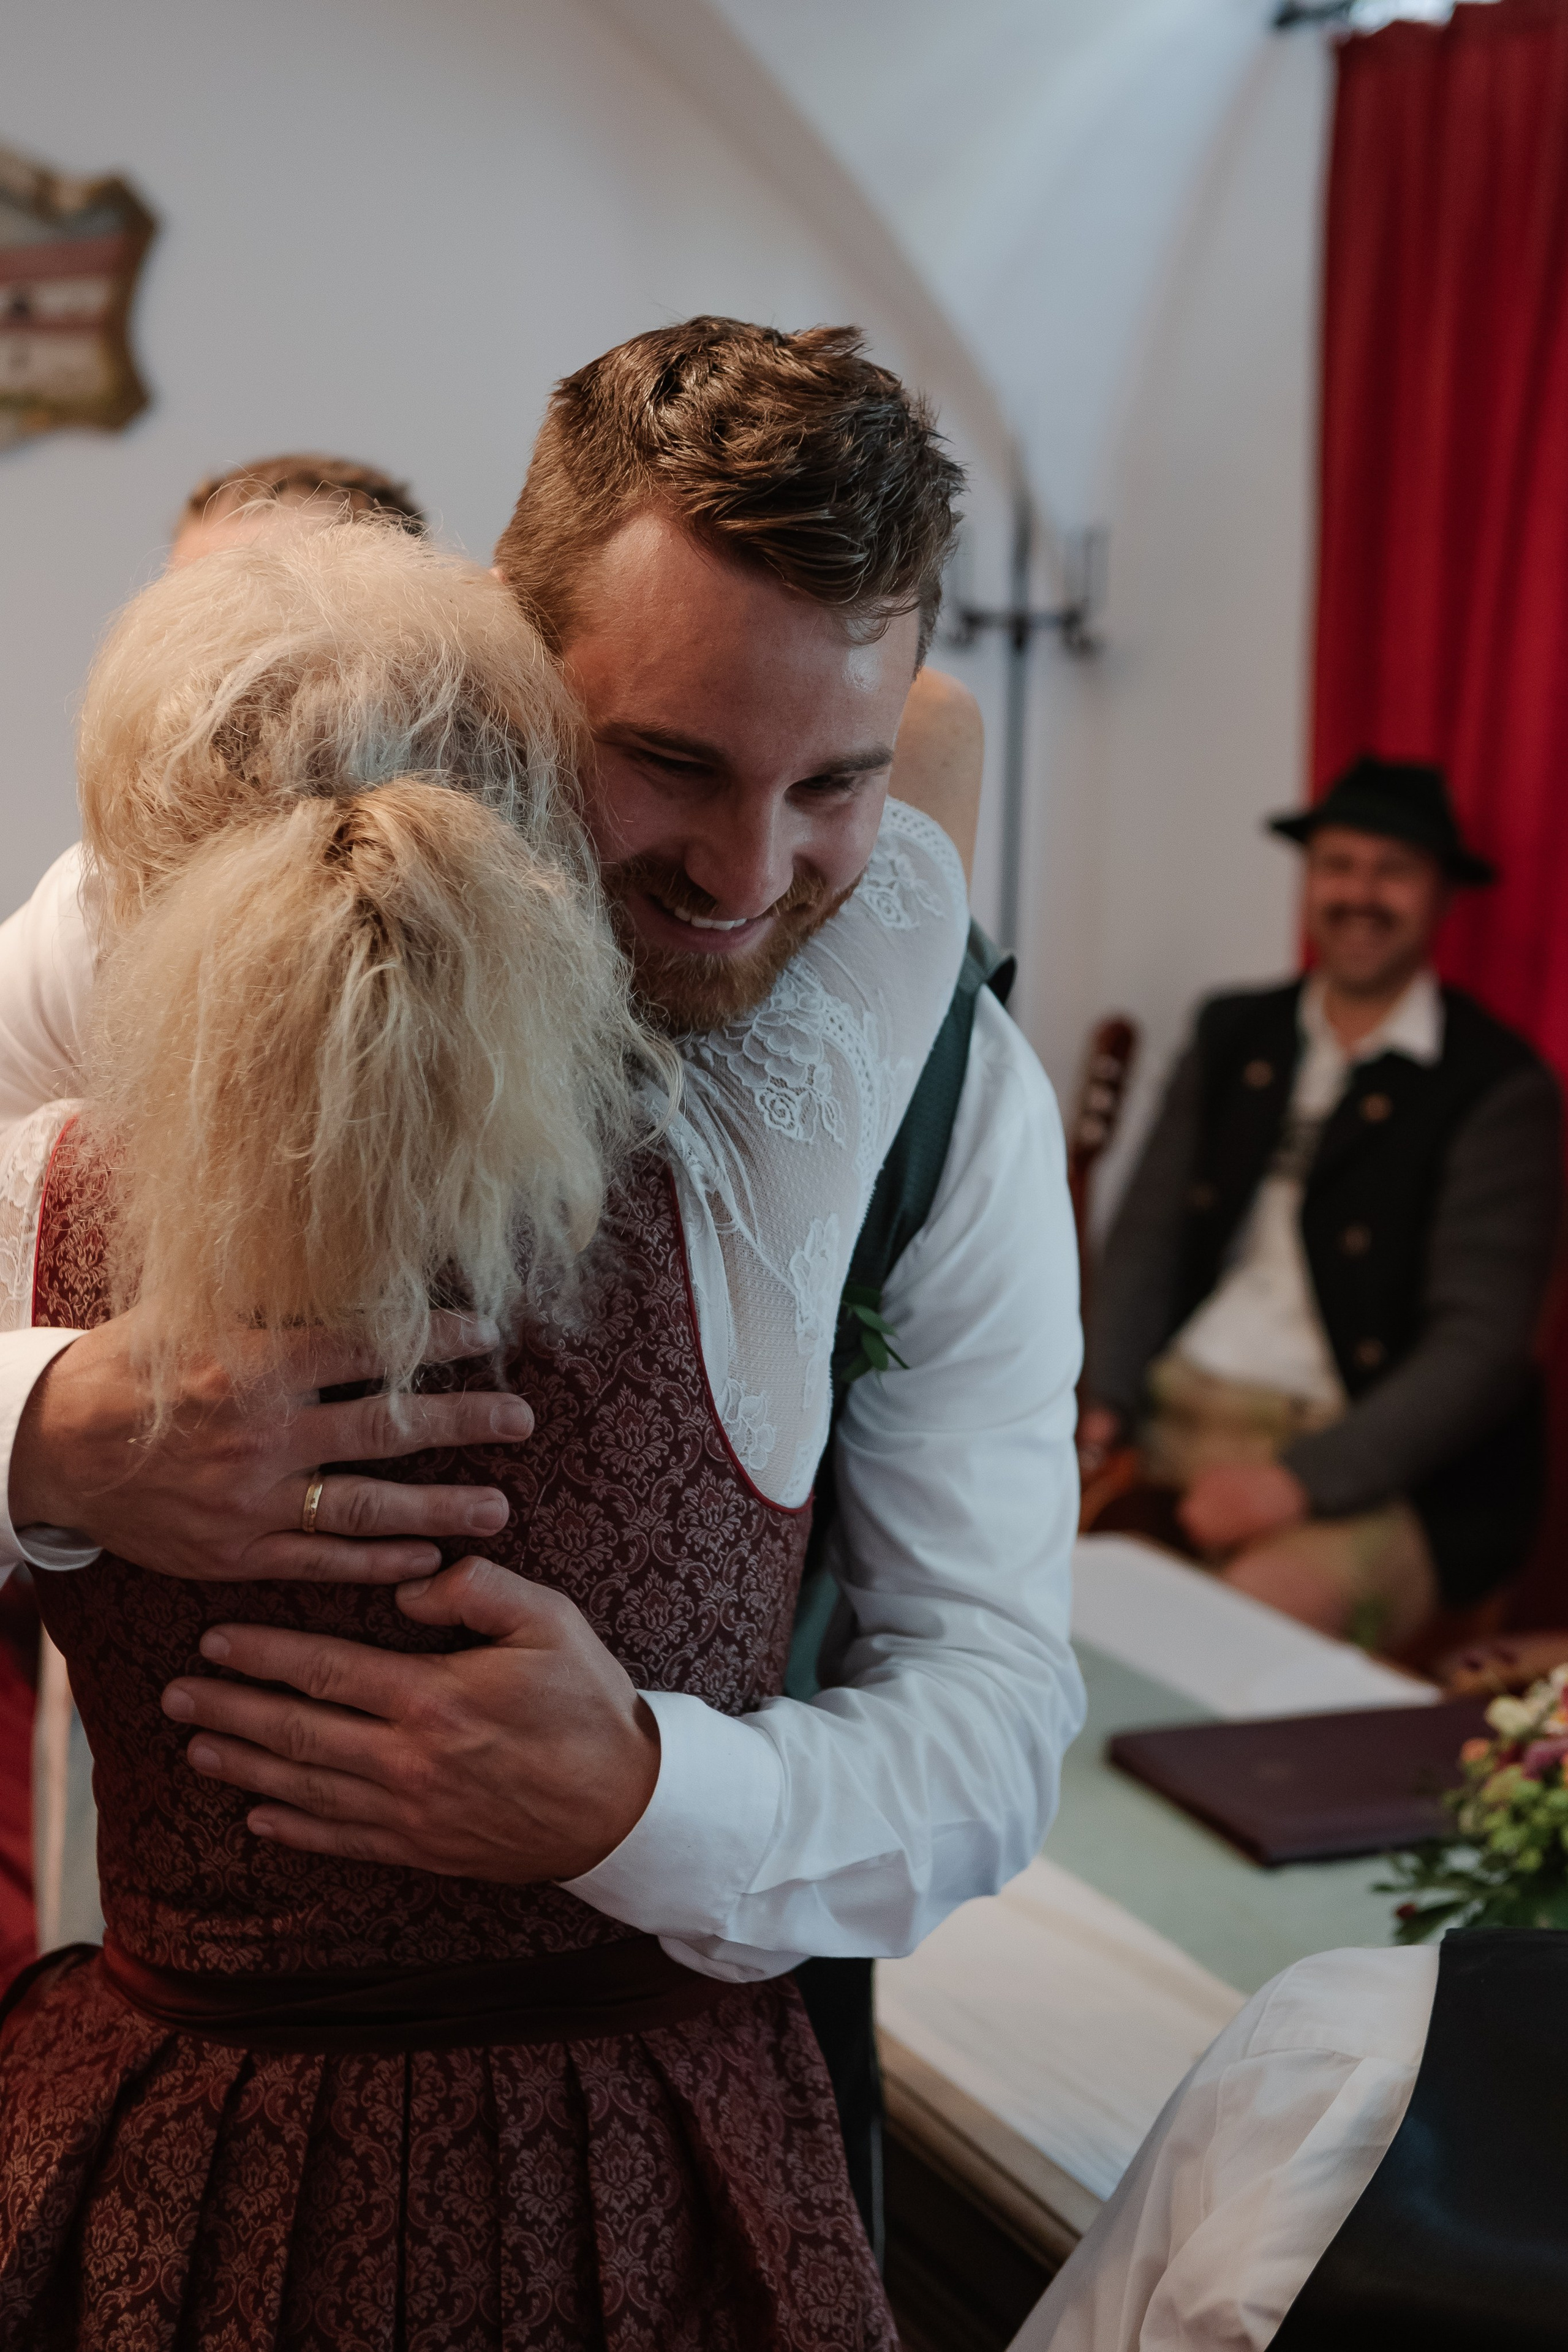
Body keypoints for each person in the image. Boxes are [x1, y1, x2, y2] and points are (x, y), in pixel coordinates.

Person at [0, 321, 1083, 2252]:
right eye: (669, 762)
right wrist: (47, 1430)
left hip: (704, 2026)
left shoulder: (933, 1079)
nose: (753, 871)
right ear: (508, 657)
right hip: (192, 2024)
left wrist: (648, 1800)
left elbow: (994, 1707)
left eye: (838, 782)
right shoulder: (157, 911)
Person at [1080, 756, 1561, 1649]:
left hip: (1369, 1470)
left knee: (1233, 1645)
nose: (1360, 893)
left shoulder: (1498, 1087)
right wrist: (1103, 1397)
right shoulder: (1233, 1033)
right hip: (1173, 1420)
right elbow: (1146, 1235)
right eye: (1340, 865)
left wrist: (1296, 1483)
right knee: (1032, 1616)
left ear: (1442, 895)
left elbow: (1479, 1352)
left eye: (1394, 871)